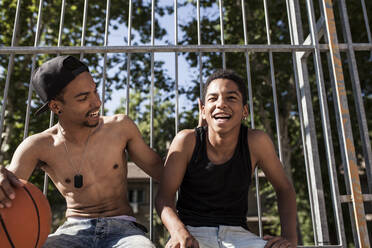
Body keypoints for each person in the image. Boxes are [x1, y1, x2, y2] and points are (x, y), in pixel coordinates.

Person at [0, 55, 163, 248]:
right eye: (83, 98)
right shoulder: (38, 146)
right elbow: (8, 192)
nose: (96, 103)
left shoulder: (120, 127)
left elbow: (162, 170)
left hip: (124, 230)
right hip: (72, 231)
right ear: (55, 106)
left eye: (95, 92)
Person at [155, 70, 297, 248]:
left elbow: (284, 188)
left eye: (231, 98)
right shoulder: (186, 141)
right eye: (213, 98)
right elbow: (164, 197)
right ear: (203, 110)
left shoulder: (256, 142)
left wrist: (290, 239)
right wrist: (178, 231)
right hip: (191, 233)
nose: (221, 104)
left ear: (245, 110)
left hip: (239, 235)